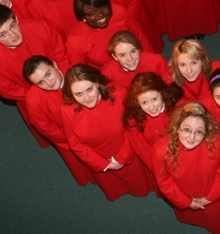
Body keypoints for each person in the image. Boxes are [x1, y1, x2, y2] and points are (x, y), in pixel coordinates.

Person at [0, 5, 69, 147]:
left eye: (13, 26)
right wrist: (41, 96)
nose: (13, 35)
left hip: (63, 79)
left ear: (16, 18)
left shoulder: (39, 26)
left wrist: (63, 79)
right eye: (3, 34)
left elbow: (60, 53)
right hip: (35, 98)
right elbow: (8, 90)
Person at [62, 64, 152, 201]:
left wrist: (120, 158)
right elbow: (76, 145)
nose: (86, 98)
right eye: (78, 94)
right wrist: (103, 164)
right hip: (98, 159)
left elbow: (134, 130)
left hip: (128, 153)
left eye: (89, 89)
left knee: (138, 183)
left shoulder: (120, 95)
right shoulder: (67, 111)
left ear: (97, 83)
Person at [151, 101, 220, 233]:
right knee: (191, 217)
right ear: (177, 127)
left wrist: (209, 198)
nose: (192, 137)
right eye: (187, 129)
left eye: (199, 132)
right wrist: (186, 202)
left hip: (213, 195)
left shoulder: (217, 143)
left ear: (206, 131)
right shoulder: (160, 150)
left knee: (219, 223)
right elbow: (164, 182)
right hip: (183, 196)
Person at [23, 55, 92, 186]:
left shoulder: (77, 72)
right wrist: (73, 140)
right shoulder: (33, 100)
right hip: (67, 137)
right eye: (40, 82)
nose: (48, 83)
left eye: (48, 74)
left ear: (55, 65)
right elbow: (45, 127)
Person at [65, 0, 151, 67]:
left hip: (137, 62)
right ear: (83, 17)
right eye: (92, 12)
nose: (101, 14)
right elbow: (81, 73)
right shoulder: (75, 40)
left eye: (103, 7)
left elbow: (141, 39)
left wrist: (149, 64)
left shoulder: (120, 13)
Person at [123, 72, 184, 184]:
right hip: (162, 167)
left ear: (162, 94)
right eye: (144, 103)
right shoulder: (135, 123)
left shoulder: (178, 108)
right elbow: (146, 154)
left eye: (154, 99)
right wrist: (164, 174)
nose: (151, 107)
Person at [101, 30, 170, 90]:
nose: (130, 59)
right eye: (122, 55)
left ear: (139, 49)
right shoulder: (108, 74)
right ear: (114, 56)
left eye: (133, 51)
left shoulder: (156, 61)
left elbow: (170, 85)